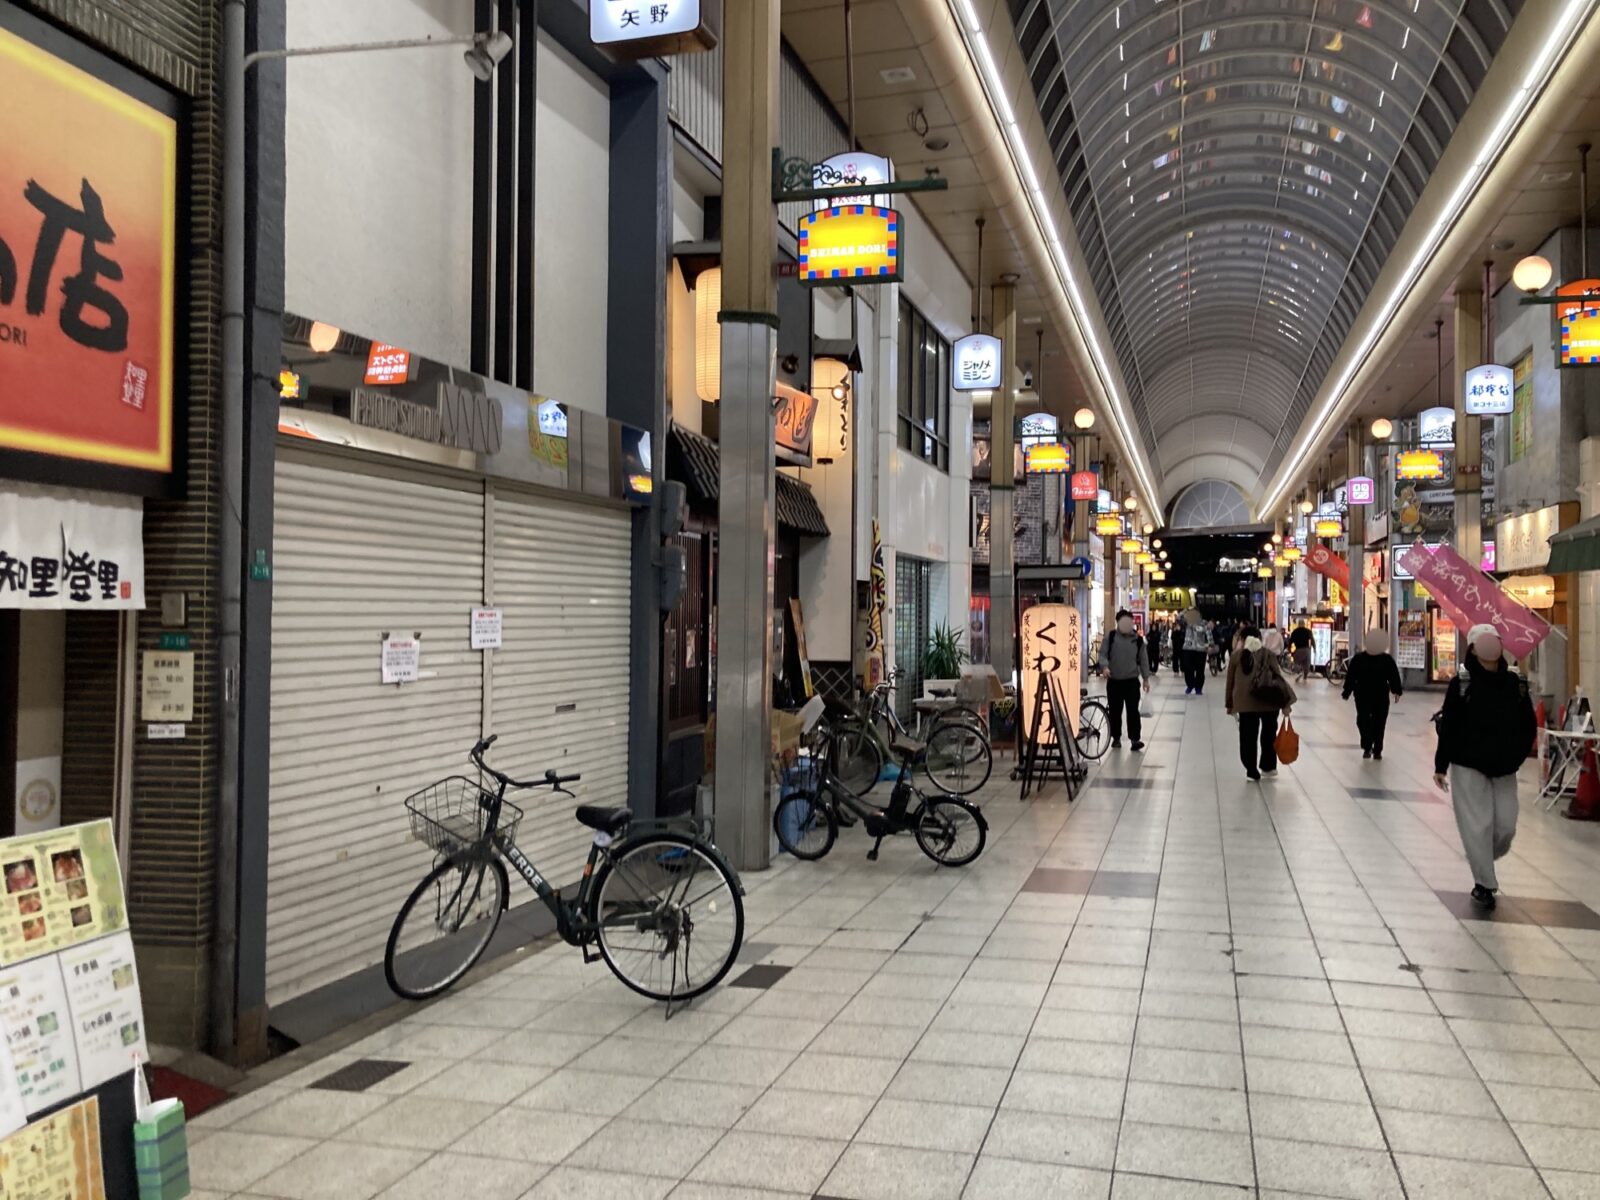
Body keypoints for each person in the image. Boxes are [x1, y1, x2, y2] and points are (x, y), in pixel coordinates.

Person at [1433, 624, 1536, 910]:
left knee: (1505, 826)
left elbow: (1528, 724)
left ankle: (1482, 857)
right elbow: (1449, 726)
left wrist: (1518, 755)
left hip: (1505, 765)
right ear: (1474, 649)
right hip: (1468, 763)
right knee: (1477, 825)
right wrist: (1441, 765)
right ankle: (1484, 884)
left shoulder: (1515, 683)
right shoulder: (1462, 682)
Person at [1226, 625, 1296, 782]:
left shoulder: (1237, 656)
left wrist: (1229, 704)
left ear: (1242, 640)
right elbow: (1278, 677)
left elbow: (1230, 682)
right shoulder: (1267, 654)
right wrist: (1286, 703)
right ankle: (1268, 766)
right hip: (1268, 701)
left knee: (1248, 737)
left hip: (1245, 704)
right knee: (1268, 735)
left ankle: (1251, 770)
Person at [1343, 627, 1404, 759]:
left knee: (1379, 722)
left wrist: (1396, 690)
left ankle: (1377, 749)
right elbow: (1351, 677)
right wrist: (1347, 691)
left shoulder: (1386, 659)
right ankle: (1368, 745)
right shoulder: (1359, 659)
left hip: (1378, 695)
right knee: (1363, 720)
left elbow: (1393, 676)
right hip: (1364, 695)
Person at [1100, 609, 1152, 751]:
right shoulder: (1110, 637)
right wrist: (1105, 667)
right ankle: (1116, 737)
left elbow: (1143, 659)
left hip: (1131, 682)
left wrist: (1146, 679)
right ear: (1118, 622)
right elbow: (1103, 654)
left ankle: (1135, 739)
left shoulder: (1138, 640)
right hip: (1114, 681)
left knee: (1133, 711)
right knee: (1115, 711)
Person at [1181, 609, 1209, 695]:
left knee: (1200, 670)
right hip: (1188, 649)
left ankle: (1198, 687)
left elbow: (1209, 634)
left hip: (1200, 650)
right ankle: (1190, 685)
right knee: (1188, 669)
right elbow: (1178, 617)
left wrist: (1210, 645)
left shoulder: (1204, 623)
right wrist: (1186, 609)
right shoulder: (1187, 621)